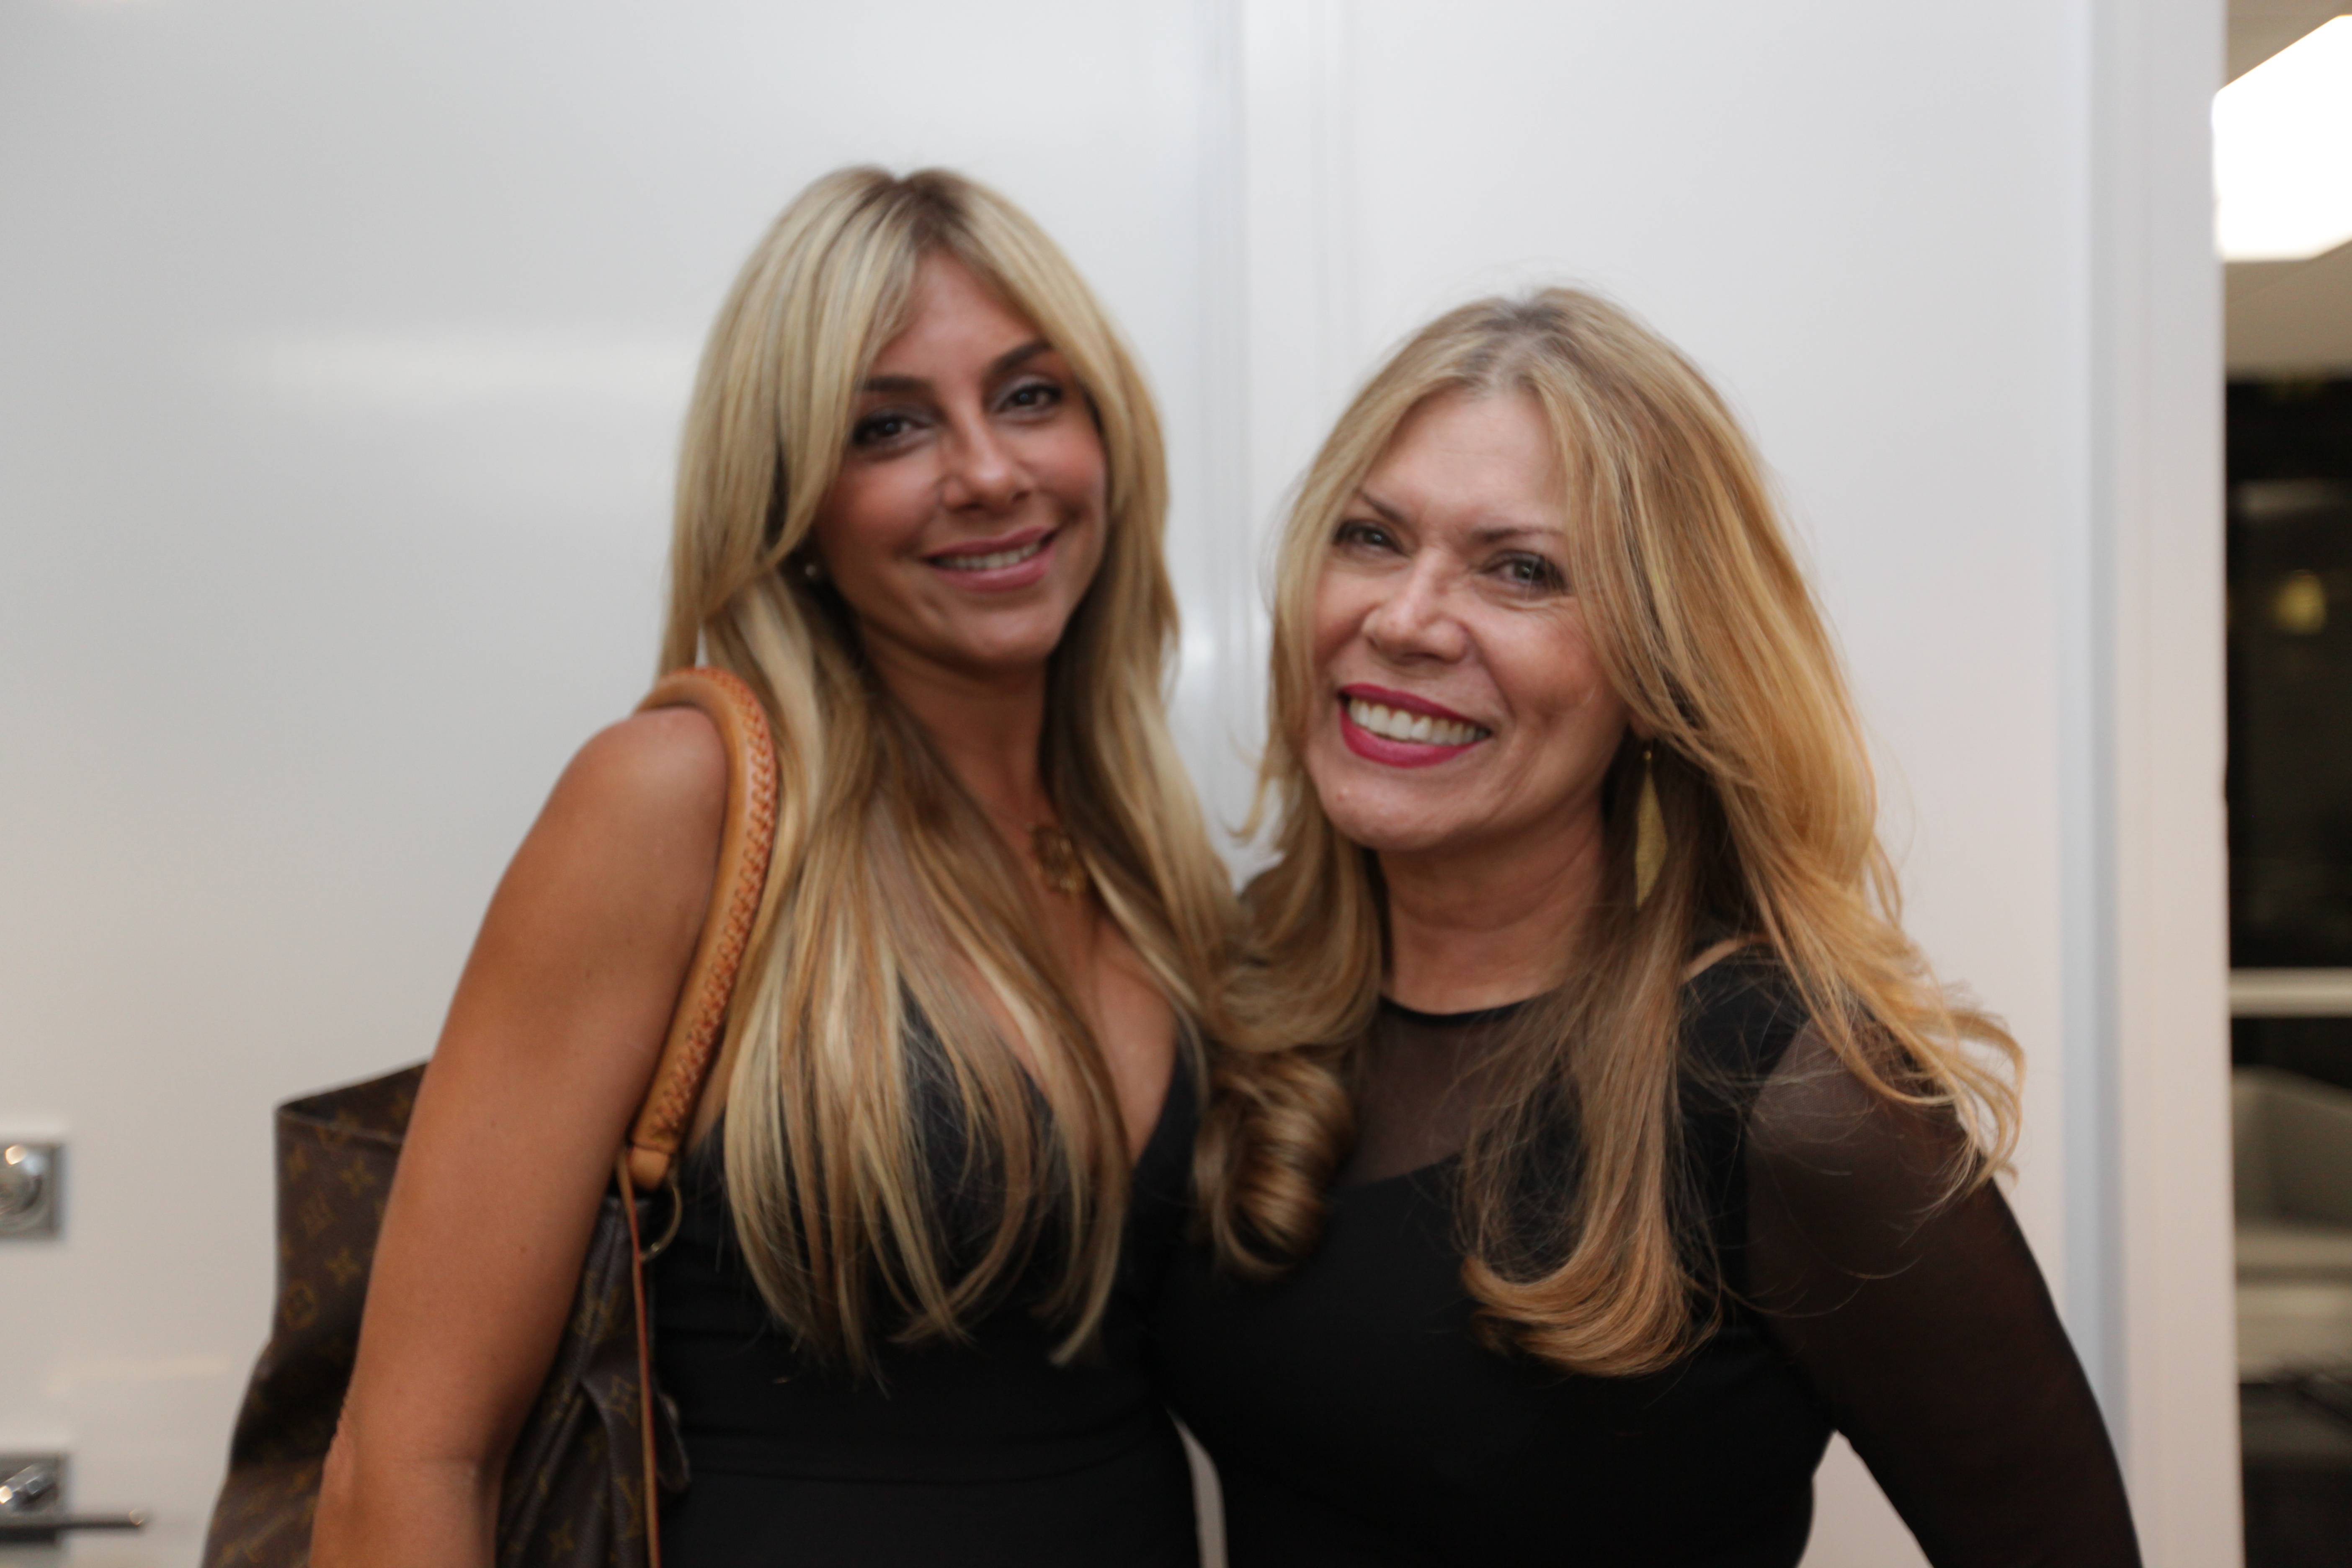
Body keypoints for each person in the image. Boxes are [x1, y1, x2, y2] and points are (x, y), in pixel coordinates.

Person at [313, 167, 1234, 1568]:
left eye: (1032, 395)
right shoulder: (675, 800)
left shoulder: (1149, 850)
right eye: (889, 426)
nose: (990, 472)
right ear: (792, 499)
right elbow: (413, 1455)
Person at [1155, 289, 2141, 1565]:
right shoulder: (1244, 990)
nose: (1403, 618)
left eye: (1521, 570)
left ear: (1660, 667)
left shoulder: (1790, 1094)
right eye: (1371, 537)